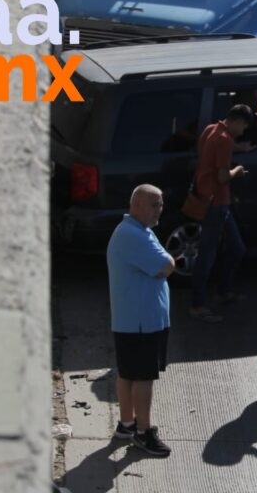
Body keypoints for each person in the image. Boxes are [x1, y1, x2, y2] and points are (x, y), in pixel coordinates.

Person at [106, 184, 174, 457]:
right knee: (143, 377)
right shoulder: (134, 235)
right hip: (141, 322)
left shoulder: (137, 231)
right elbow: (165, 267)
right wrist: (168, 261)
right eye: (154, 204)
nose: (160, 209)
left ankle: (126, 423)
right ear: (136, 206)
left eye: (160, 203)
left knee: (128, 374)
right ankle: (143, 433)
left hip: (133, 320)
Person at [190, 105, 254, 323]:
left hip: (210, 199)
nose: (244, 131)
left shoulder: (211, 130)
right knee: (207, 255)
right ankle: (198, 304)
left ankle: (223, 291)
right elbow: (223, 177)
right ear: (237, 122)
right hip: (216, 203)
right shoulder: (225, 140)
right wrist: (237, 170)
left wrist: (238, 148)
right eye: (244, 126)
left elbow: (213, 151)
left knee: (237, 248)